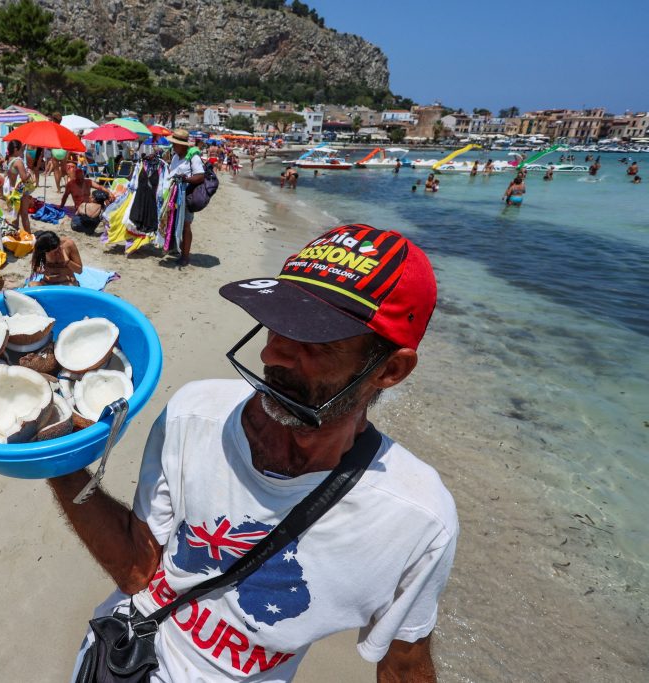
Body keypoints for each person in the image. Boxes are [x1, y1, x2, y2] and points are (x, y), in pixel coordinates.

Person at [50, 224, 457, 682]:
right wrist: (55, 458)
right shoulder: (195, 414)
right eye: (277, 324)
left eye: (316, 341)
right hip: (118, 659)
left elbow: (403, 667)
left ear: (390, 370)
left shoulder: (416, 520)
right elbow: (138, 571)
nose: (273, 355)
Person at [165, 130, 205, 268]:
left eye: (175, 144)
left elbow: (200, 176)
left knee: (186, 225)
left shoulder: (193, 157)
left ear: (182, 145)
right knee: (175, 223)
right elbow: (171, 173)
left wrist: (186, 179)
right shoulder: (176, 157)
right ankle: (176, 248)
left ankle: (185, 256)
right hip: (174, 195)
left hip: (187, 195)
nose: (173, 146)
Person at [61, 166, 112, 234]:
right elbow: (65, 196)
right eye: (78, 178)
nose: (80, 180)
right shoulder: (70, 185)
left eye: (82, 178)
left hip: (90, 206)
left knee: (103, 200)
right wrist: (61, 206)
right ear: (75, 177)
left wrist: (109, 193)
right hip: (80, 208)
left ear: (83, 176)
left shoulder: (88, 182)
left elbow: (100, 187)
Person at [5, 140, 36, 233]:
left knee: (15, 215)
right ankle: (29, 235)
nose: (22, 151)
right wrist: (30, 172)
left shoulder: (9, 160)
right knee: (24, 215)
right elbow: (24, 178)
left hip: (12, 190)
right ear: (16, 149)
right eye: (21, 149)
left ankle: (15, 235)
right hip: (20, 191)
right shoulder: (18, 161)